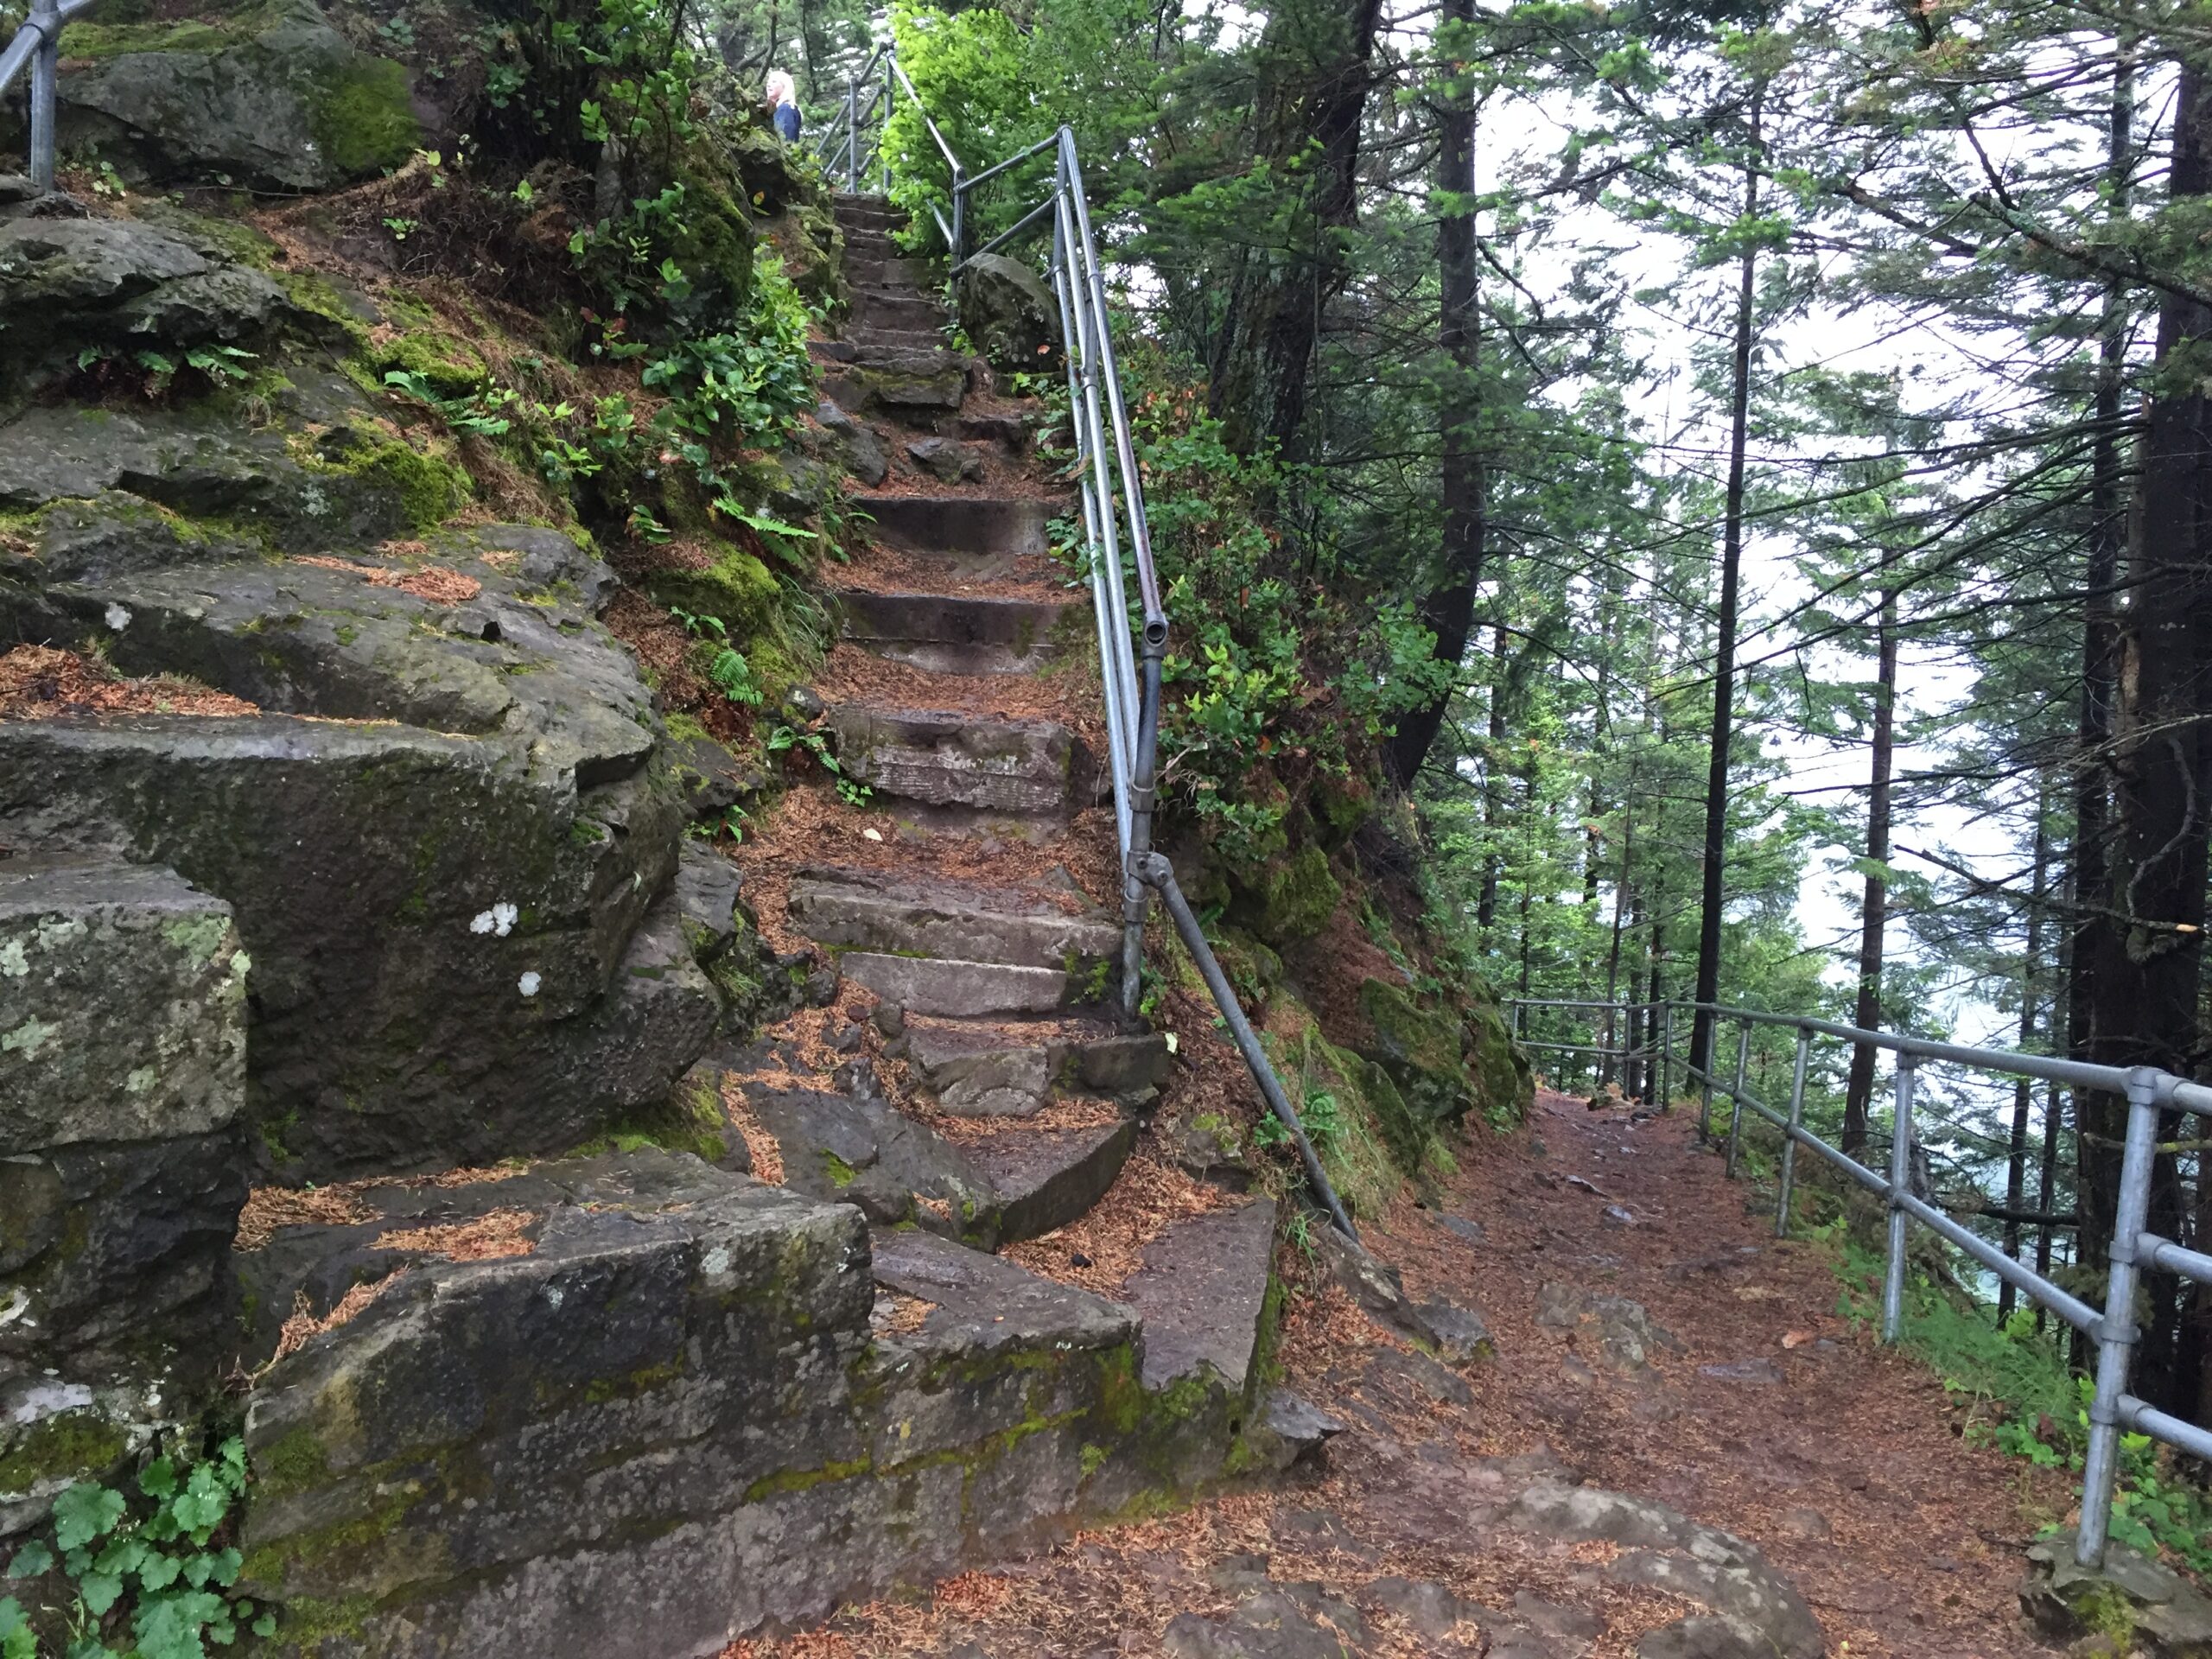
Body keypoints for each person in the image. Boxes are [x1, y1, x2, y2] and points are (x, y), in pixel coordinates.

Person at [766, 70, 801, 143]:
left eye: (774, 82)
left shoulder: (786, 108)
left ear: (784, 86)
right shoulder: (780, 108)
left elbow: (784, 138)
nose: (769, 85)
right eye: (768, 82)